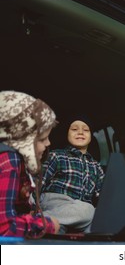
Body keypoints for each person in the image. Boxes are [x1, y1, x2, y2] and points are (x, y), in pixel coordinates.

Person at [0, 90, 60, 237]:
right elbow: (5, 228)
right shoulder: (9, 161)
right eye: (42, 139)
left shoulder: (20, 164)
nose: (48, 143)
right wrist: (47, 225)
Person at [39, 116, 105, 234]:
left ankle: (50, 223)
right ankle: (40, 219)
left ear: (91, 136)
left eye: (85, 130)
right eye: (74, 129)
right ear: (67, 134)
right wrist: (33, 206)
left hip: (81, 215)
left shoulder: (96, 166)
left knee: (99, 221)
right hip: (55, 203)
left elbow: (103, 196)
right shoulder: (57, 155)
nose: (80, 132)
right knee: (88, 210)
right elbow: (39, 182)